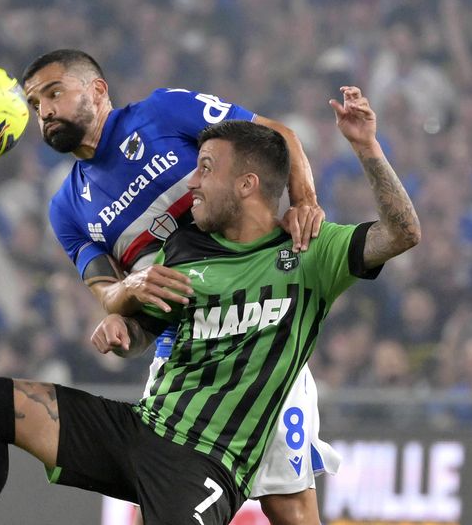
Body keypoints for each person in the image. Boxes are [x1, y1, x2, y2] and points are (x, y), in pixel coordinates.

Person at [0, 86, 420, 524]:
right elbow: (141, 332)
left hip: (204, 460)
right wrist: (122, 330)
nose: (190, 180)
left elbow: (403, 233)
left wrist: (366, 148)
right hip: (139, 430)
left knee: (294, 508)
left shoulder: (311, 252)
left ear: (247, 184)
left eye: (206, 168)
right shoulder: (181, 258)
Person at [20, 49, 332, 524]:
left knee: (290, 506)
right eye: (34, 103)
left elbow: (277, 135)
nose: (44, 110)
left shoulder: (164, 112)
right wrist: (120, 318)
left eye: (54, 92)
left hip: (259, 325)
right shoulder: (66, 208)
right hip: (180, 354)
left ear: (98, 90)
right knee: (162, 509)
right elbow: (109, 293)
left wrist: (304, 201)